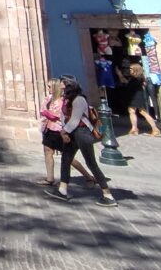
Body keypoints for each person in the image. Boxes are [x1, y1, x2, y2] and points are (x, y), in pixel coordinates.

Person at [44, 76, 118, 207]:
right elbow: (64, 117)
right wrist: (65, 131)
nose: (60, 85)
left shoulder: (79, 100)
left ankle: (108, 195)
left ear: (68, 84)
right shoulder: (67, 100)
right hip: (72, 134)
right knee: (66, 160)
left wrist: (63, 131)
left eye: (62, 83)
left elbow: (75, 120)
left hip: (82, 134)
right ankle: (62, 190)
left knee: (91, 163)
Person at [39, 77, 96, 186]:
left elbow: (60, 116)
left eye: (50, 87)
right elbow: (43, 110)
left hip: (60, 130)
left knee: (67, 156)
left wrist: (49, 113)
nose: (48, 89)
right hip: (49, 128)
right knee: (48, 151)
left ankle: (88, 176)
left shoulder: (63, 101)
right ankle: (50, 178)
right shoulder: (49, 98)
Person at [126, 64, 161, 136]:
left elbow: (129, 84)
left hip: (136, 97)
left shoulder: (136, 78)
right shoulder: (140, 78)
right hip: (138, 96)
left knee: (141, 112)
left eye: (131, 68)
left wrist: (119, 74)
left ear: (135, 69)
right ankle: (134, 128)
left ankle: (155, 129)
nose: (129, 70)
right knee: (134, 111)